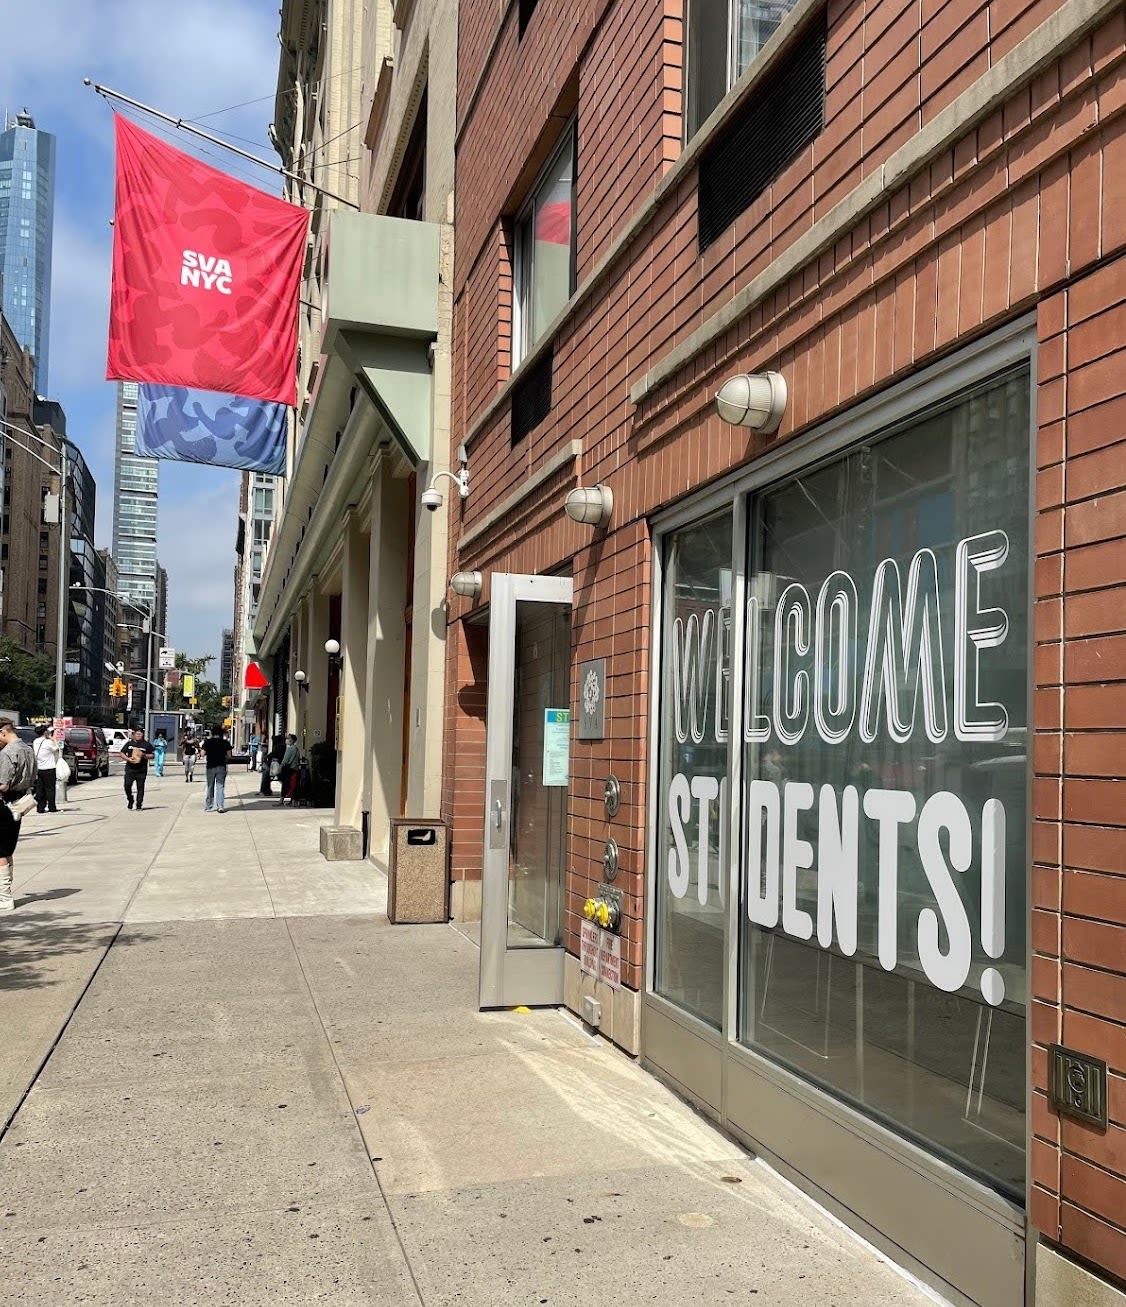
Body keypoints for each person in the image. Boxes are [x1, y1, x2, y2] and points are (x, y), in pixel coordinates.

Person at [0, 718, 37, 912]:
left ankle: (4, 896)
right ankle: (5, 893)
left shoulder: (7, 753)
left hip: (5, 803)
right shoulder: (28, 749)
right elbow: (33, 777)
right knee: (7, 849)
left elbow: (3, 784)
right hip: (20, 803)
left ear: (3, 733)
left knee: (0, 851)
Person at [122, 727, 154, 810]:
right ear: (134, 735)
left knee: (140, 787)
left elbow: (152, 755)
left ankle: (139, 804)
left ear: (143, 735)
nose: (138, 735)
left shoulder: (146, 745)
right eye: (137, 734)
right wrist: (128, 759)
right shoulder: (129, 744)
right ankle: (130, 799)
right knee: (127, 785)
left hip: (141, 770)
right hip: (130, 769)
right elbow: (122, 753)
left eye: (140, 734)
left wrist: (143, 755)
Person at [202, 726, 233, 813]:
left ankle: (208, 806)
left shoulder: (207, 742)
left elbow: (202, 754)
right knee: (220, 786)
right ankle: (220, 806)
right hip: (221, 766)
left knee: (210, 786)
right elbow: (230, 756)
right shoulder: (225, 742)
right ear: (221, 734)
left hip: (210, 766)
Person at [33, 724, 61, 814]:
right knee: (50, 789)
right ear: (44, 732)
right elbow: (56, 749)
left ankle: (40, 808)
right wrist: (54, 740)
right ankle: (52, 807)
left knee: (40, 789)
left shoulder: (35, 741)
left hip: (40, 768)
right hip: (49, 768)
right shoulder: (47, 742)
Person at [277, 733, 300, 806]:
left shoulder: (290, 749)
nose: (287, 740)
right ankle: (292, 800)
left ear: (292, 740)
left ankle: (281, 800)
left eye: (289, 738)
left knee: (285, 784)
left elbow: (285, 759)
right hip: (294, 768)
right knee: (292, 784)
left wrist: (281, 766)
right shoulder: (296, 749)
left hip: (288, 768)